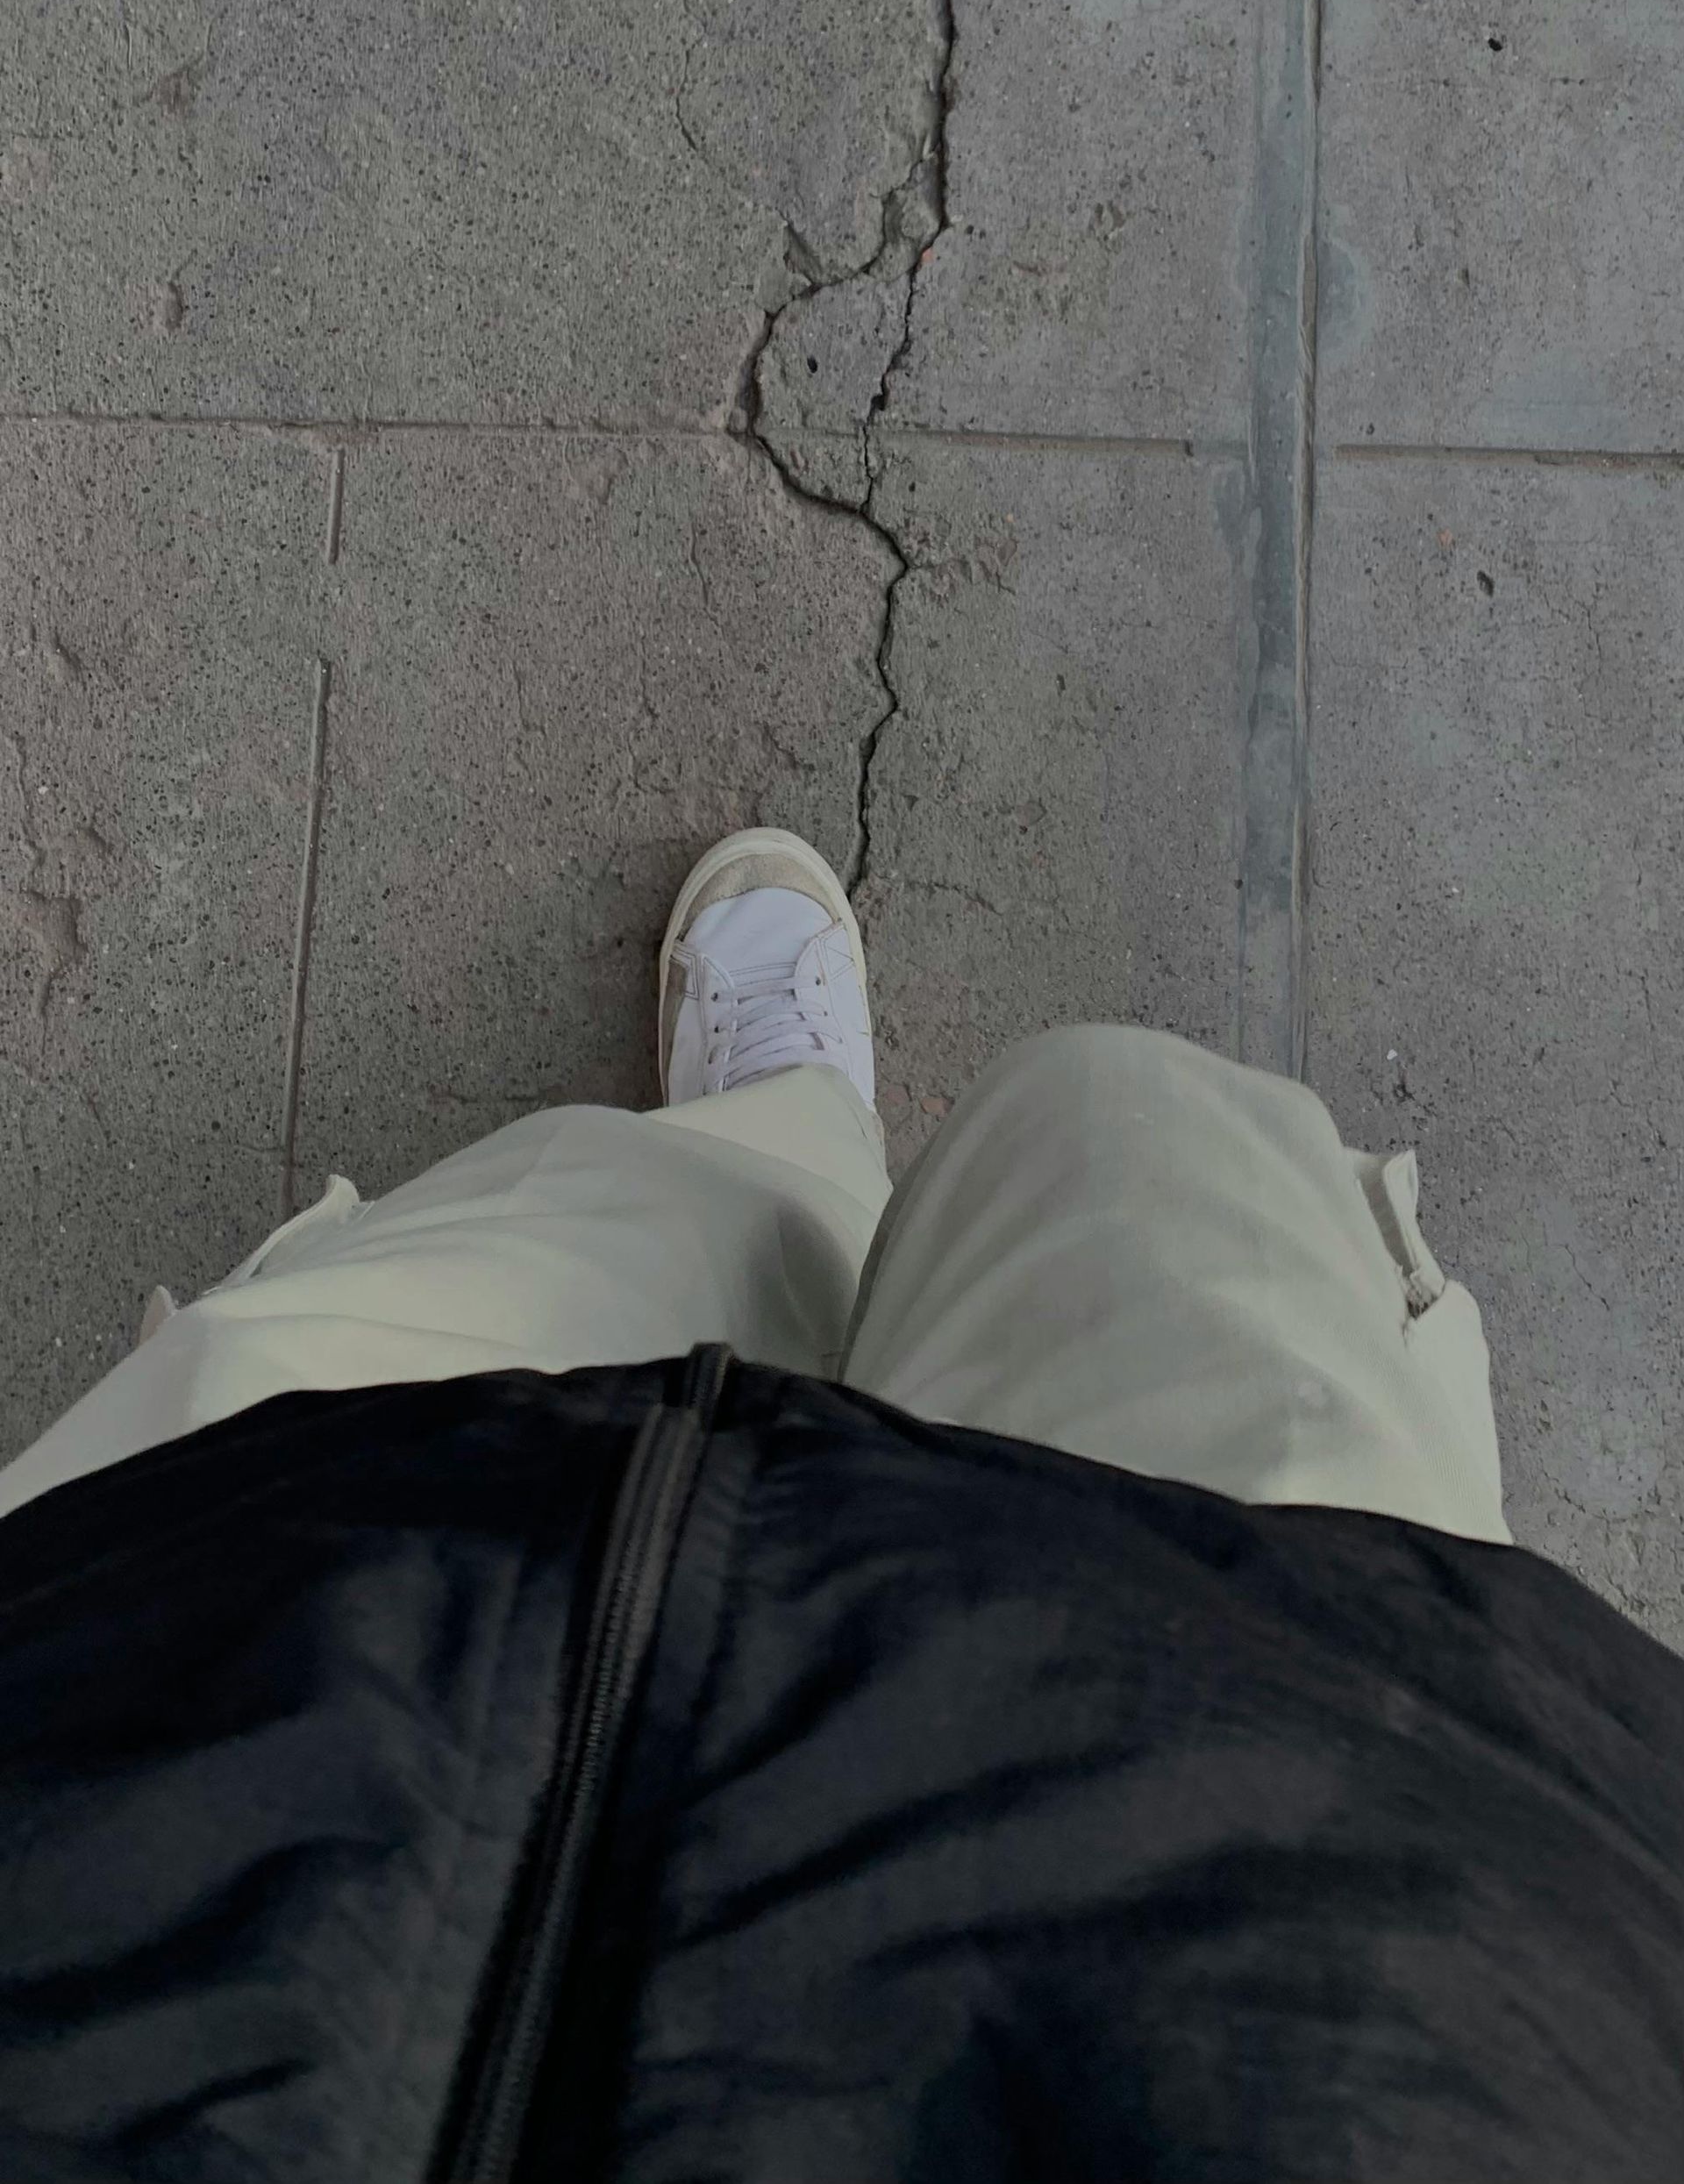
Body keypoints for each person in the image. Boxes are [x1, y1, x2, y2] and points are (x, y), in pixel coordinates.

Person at [0, 828, 1678, 2179]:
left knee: (545, 1268)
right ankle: (806, 1185)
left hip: (284, 1738)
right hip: (1331, 1859)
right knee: (1125, 1128)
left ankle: (783, 1138)